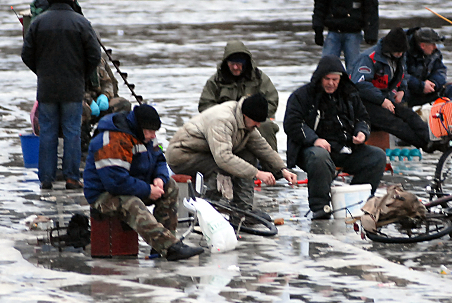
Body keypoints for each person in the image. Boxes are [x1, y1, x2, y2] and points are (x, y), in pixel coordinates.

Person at [83, 104, 205, 261]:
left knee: (170, 187)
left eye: (155, 132)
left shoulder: (147, 137)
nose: (153, 136)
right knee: (132, 204)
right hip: (103, 195)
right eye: (150, 132)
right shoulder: (112, 140)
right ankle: (170, 247)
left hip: (133, 186)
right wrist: (148, 190)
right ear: (139, 127)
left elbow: (160, 159)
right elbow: (115, 182)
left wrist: (159, 178)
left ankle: (163, 246)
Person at [283, 55, 386, 220]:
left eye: (335, 79)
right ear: (320, 78)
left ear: (341, 79)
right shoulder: (301, 96)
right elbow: (292, 123)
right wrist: (315, 140)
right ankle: (320, 206)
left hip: (344, 148)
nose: (331, 83)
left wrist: (362, 132)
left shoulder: (349, 94)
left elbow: (363, 118)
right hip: (310, 151)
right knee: (320, 156)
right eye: (327, 79)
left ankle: (357, 202)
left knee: (377, 156)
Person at [21, 0, 101, 190]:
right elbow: (95, 55)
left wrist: (41, 72)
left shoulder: (38, 22)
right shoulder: (81, 22)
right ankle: (72, 178)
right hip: (73, 87)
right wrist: (82, 74)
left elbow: (26, 54)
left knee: (47, 132)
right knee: (72, 133)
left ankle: (46, 179)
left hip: (47, 87)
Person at [167, 94, 297, 212]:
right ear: (246, 115)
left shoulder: (247, 122)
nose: (258, 125)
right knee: (221, 167)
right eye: (256, 121)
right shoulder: (223, 120)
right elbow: (223, 158)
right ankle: (210, 209)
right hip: (182, 155)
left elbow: (262, 147)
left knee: (248, 156)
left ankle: (243, 209)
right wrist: (257, 173)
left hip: (206, 152)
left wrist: (282, 169)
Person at [349, 28, 436, 152]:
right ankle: (424, 145)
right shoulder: (368, 58)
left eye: (402, 52)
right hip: (364, 104)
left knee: (410, 115)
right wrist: (382, 100)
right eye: (398, 52)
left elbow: (403, 74)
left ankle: (431, 140)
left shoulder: (399, 56)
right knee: (396, 124)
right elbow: (360, 85)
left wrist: (401, 89)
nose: (400, 54)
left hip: (385, 99)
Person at [198, 40, 280, 152]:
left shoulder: (259, 78)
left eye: (239, 63)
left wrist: (254, 116)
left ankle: (272, 165)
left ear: (246, 62)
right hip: (225, 124)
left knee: (267, 126)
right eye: (232, 64)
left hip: (254, 122)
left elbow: (271, 100)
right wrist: (226, 118)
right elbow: (205, 105)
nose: (235, 67)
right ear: (226, 63)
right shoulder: (215, 81)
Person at [403, 27, 452, 107]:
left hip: (427, 88)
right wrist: (421, 86)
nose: (435, 47)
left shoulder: (434, 53)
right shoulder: (404, 52)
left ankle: (450, 114)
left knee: (447, 88)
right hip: (410, 90)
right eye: (433, 44)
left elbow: (440, 70)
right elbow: (402, 76)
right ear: (423, 46)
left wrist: (434, 83)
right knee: (402, 92)